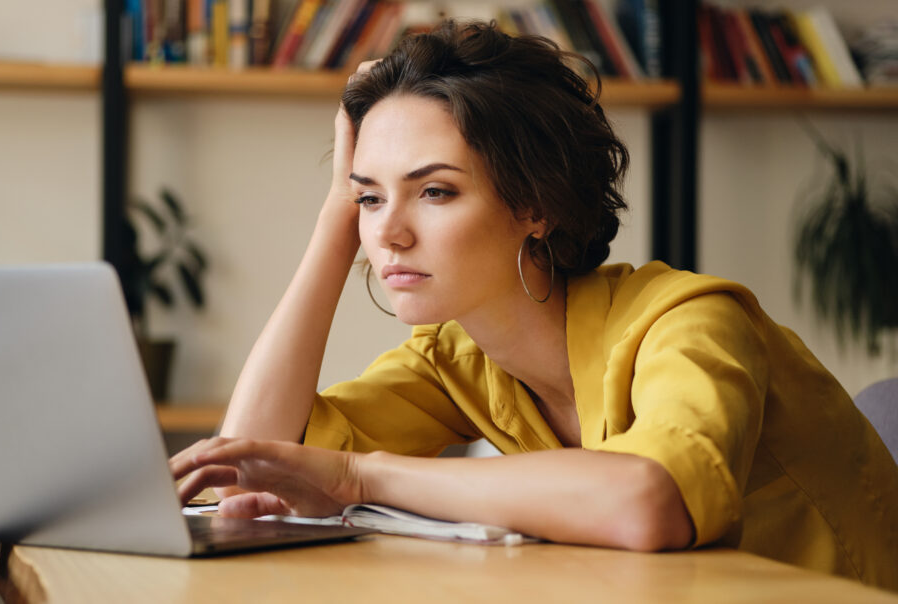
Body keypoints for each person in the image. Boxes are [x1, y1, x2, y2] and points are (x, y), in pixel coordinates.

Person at [170, 20, 898, 590]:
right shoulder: (457, 360)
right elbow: (246, 468)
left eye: (434, 191)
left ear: (535, 205)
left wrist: (359, 478)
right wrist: (336, 217)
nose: (386, 233)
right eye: (370, 197)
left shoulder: (690, 320)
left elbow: (649, 502)